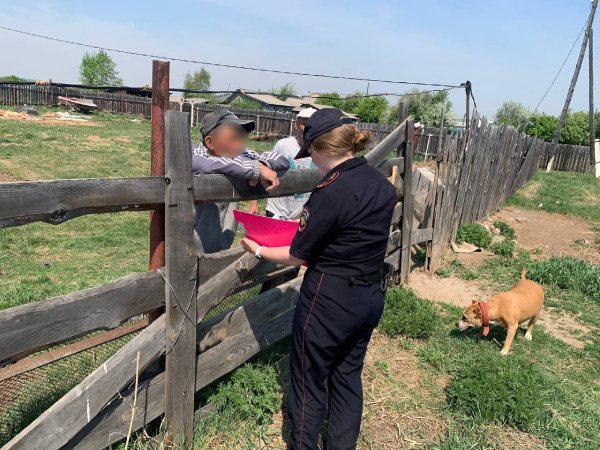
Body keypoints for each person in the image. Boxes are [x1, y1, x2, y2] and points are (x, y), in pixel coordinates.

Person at [240, 108, 397, 450]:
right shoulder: (379, 182)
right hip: (370, 293)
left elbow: (299, 254)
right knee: (348, 374)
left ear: (318, 147)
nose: (310, 159)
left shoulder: (331, 191)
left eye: (309, 151)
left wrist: (259, 250)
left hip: (330, 298)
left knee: (308, 379)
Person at [192, 110, 290, 253]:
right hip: (192, 246)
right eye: (233, 138)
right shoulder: (195, 153)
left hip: (223, 241)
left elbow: (281, 159)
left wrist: (263, 164)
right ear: (210, 142)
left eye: (241, 138)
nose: (240, 145)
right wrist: (255, 169)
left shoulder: (240, 154)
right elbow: (202, 164)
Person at [266, 107, 317, 220]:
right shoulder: (283, 145)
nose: (308, 129)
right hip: (278, 209)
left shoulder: (320, 151)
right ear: (296, 125)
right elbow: (266, 168)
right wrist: (253, 202)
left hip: (303, 211)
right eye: (304, 124)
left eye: (312, 125)